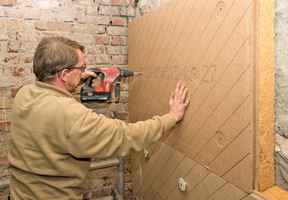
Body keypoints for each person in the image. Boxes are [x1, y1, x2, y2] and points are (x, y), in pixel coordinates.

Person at [7, 36, 190, 200]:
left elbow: (57, 100)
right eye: (81, 67)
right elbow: (125, 136)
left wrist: (78, 77)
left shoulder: (25, 94)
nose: (84, 70)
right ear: (64, 74)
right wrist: (171, 116)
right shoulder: (72, 116)